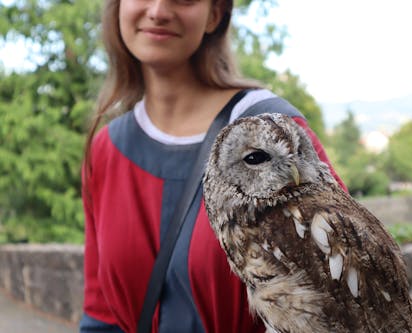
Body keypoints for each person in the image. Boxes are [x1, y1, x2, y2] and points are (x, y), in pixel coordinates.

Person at [80, 0, 347, 332]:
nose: (159, 11)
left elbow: (348, 294)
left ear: (215, 15)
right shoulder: (106, 150)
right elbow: (102, 315)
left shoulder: (272, 136)